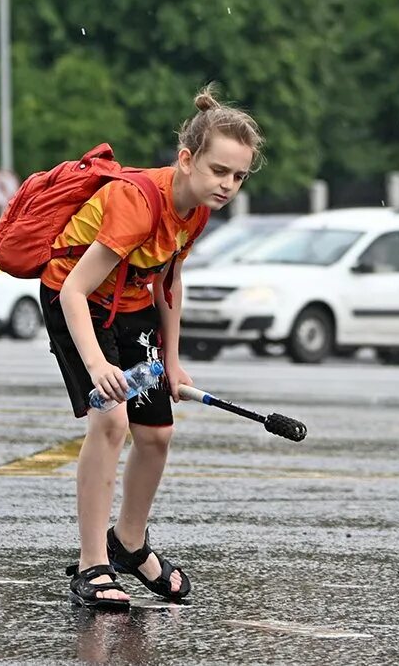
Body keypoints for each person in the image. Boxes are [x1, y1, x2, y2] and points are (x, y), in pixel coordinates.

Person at [42, 88, 262, 612]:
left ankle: (130, 542)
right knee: (112, 421)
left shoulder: (198, 211)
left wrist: (174, 358)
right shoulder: (138, 204)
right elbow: (73, 289)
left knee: (158, 433)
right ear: (186, 160)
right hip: (79, 301)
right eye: (218, 171)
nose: (227, 185)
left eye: (238, 176)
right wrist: (97, 365)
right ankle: (94, 563)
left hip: (134, 301)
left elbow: (169, 279)